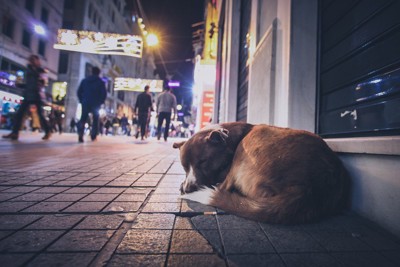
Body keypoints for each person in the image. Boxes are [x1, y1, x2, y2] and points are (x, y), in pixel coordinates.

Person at [2, 55, 51, 141]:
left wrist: (39, 73)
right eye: (30, 60)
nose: (31, 61)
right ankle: (15, 133)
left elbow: (43, 83)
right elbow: (28, 84)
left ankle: (48, 132)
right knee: (19, 114)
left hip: (37, 96)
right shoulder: (28, 70)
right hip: (28, 95)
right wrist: (21, 85)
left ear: (37, 61)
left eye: (34, 60)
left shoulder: (40, 71)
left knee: (40, 115)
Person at [77, 66, 107, 142]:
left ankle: (80, 134)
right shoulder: (100, 82)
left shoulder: (85, 80)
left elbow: (79, 91)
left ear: (92, 72)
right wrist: (101, 102)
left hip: (85, 102)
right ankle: (93, 135)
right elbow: (104, 94)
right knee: (95, 119)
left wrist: (81, 100)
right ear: (99, 73)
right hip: (96, 103)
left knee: (83, 118)